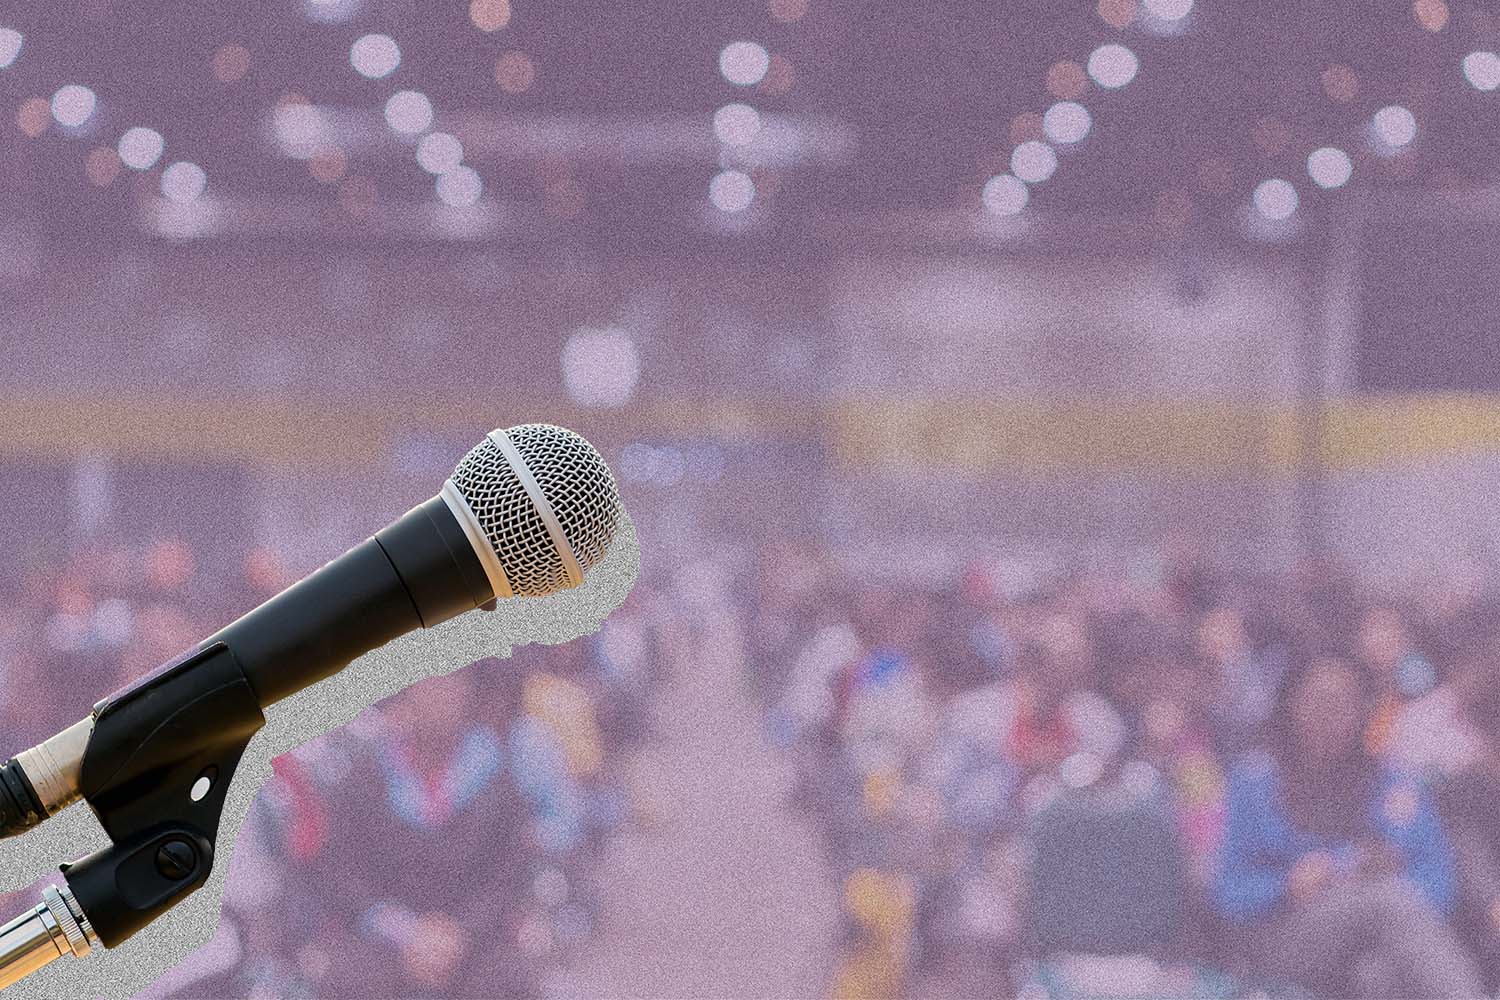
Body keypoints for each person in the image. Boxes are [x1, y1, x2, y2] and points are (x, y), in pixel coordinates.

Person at [1212, 653, 1482, 998]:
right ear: (1292, 705)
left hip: (1384, 936)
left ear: (1363, 709)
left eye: (1345, 702)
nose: (1331, 715)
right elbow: (1227, 891)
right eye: (1319, 700)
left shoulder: (1394, 784)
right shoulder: (1254, 783)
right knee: (1387, 899)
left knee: (1376, 978)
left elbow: (1438, 879)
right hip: (1286, 936)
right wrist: (1287, 884)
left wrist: (1365, 881)